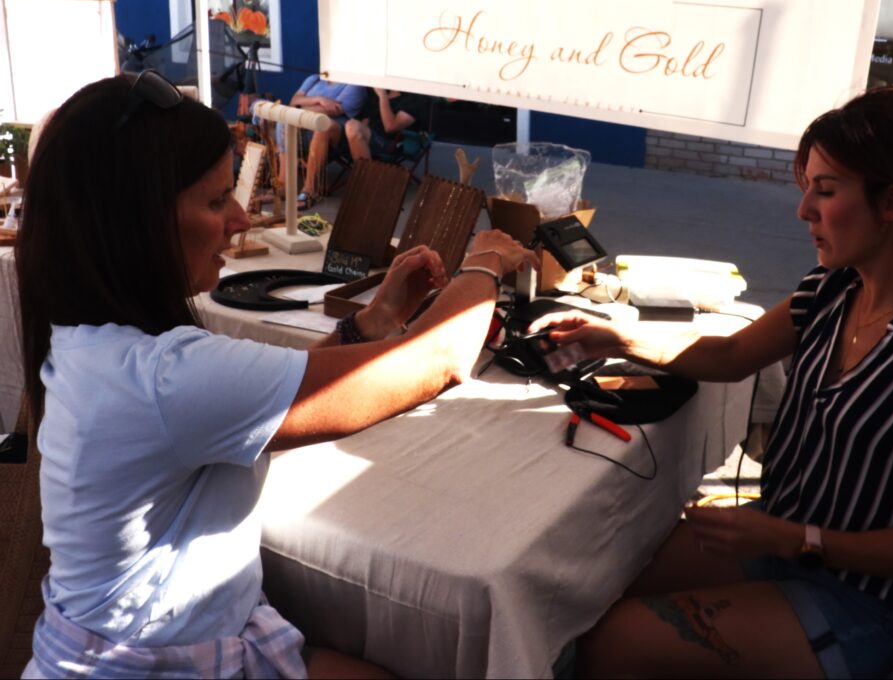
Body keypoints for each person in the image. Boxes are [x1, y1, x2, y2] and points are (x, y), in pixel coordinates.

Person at [16, 70, 537, 679]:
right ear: (137, 224)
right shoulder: (167, 378)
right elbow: (437, 361)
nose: (240, 218)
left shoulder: (93, 344)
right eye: (216, 201)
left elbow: (275, 393)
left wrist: (373, 322)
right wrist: (486, 260)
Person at [529, 86, 893, 679]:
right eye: (805, 187)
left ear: (892, 202)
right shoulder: (835, 288)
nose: (803, 210)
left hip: (860, 600)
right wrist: (615, 337)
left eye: (825, 191)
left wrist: (793, 537)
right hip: (783, 542)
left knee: (615, 642)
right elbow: (732, 353)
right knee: (595, 587)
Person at [276, 75, 368, 209]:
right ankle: (282, 185)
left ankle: (309, 190)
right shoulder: (314, 79)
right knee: (282, 120)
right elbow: (294, 100)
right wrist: (320, 99)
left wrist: (298, 111)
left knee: (324, 125)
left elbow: (331, 111)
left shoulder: (354, 84)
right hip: (304, 128)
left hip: (338, 134)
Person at [343, 87, 432, 162]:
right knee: (331, 125)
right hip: (367, 136)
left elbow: (390, 127)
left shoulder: (414, 99)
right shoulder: (378, 93)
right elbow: (366, 118)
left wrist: (382, 96)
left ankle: (365, 178)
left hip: (390, 143)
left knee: (352, 126)